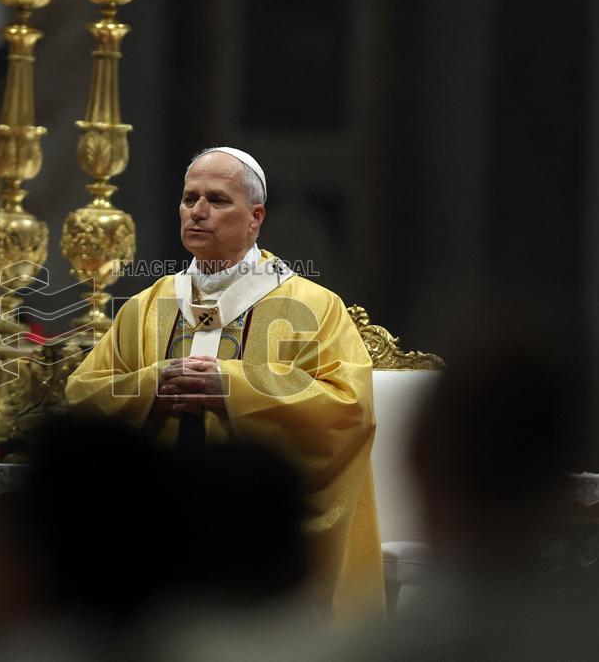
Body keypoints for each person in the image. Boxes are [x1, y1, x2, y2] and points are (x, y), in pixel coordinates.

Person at [65, 147, 384, 620]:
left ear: (256, 217)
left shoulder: (314, 306)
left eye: (216, 199)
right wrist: (152, 386)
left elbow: (347, 407)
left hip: (259, 526)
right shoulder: (148, 307)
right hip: (160, 519)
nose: (197, 211)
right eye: (189, 197)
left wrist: (235, 386)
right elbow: (81, 396)